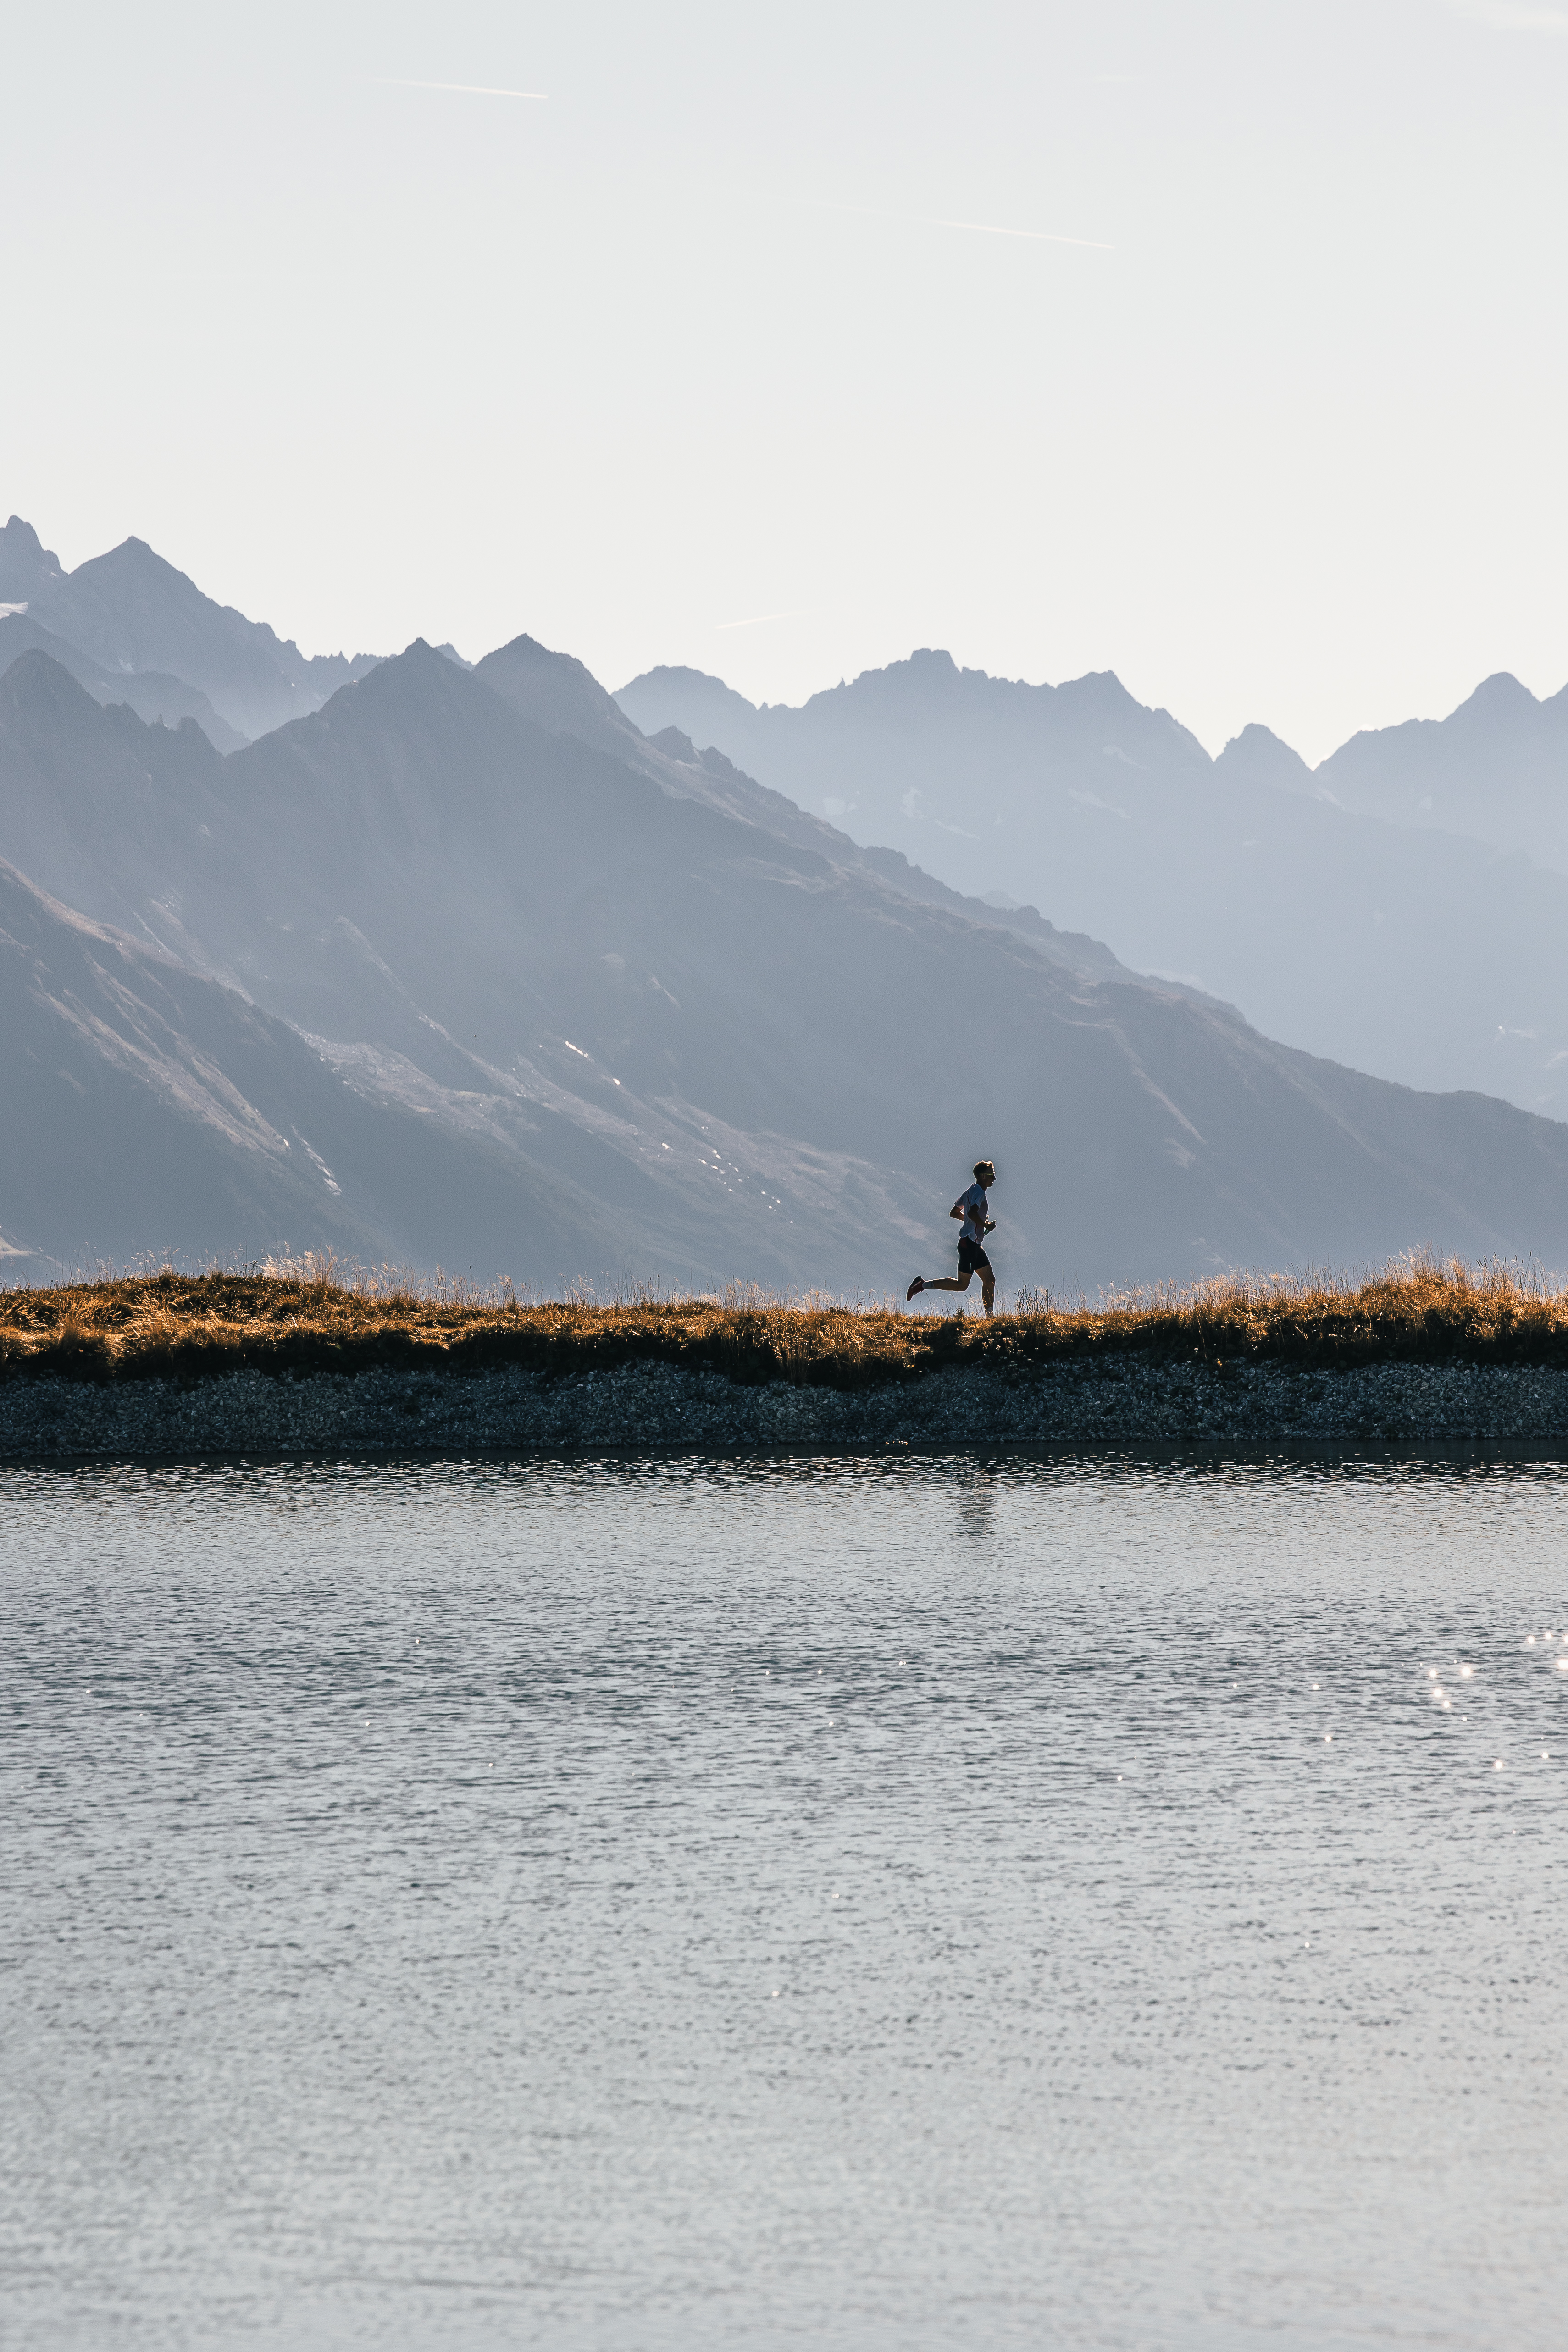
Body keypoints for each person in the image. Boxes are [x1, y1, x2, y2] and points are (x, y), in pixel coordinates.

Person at [907, 1161, 997, 1317]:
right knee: (962, 1285)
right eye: (992, 1175)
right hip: (969, 1243)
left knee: (989, 1281)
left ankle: (990, 1317)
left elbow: (955, 1212)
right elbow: (972, 1213)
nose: (994, 1178)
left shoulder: (971, 1191)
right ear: (983, 1176)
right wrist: (985, 1224)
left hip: (973, 1244)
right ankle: (922, 1285)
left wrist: (976, 1223)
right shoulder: (979, 1192)